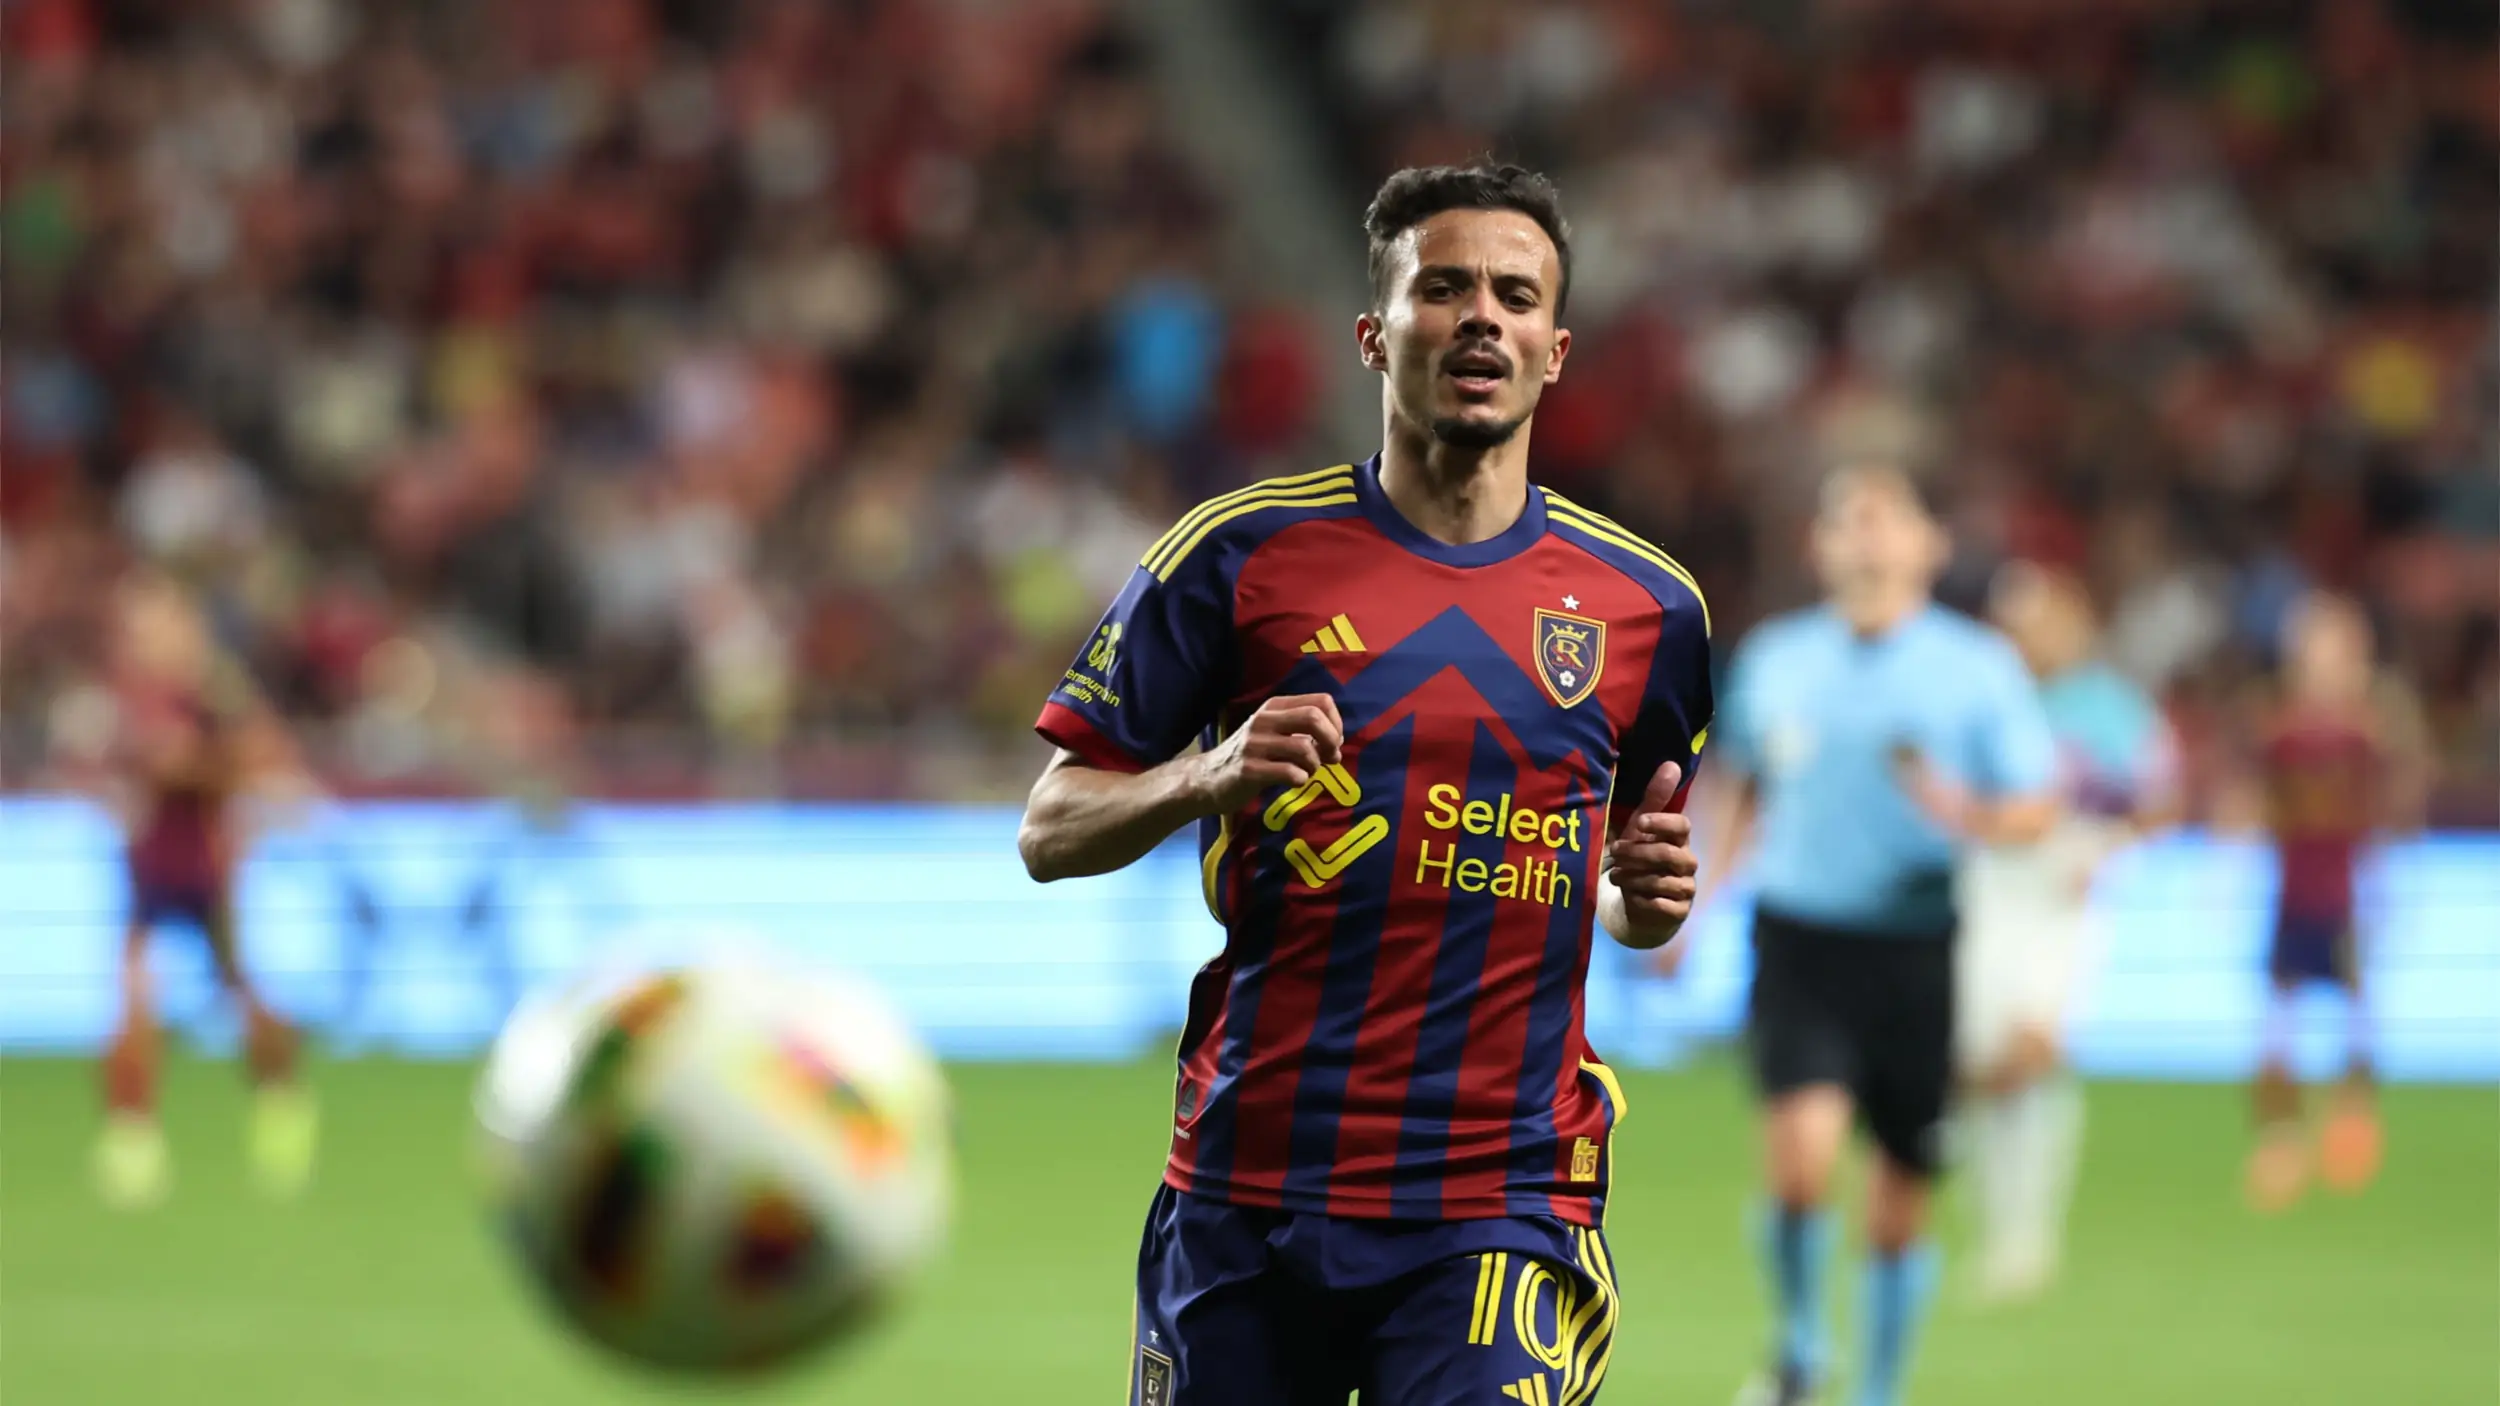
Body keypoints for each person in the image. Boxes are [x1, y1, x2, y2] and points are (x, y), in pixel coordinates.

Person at [1017, 163, 1712, 1406]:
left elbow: (1618, 884)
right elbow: (1050, 826)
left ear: (1555, 349)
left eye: (1514, 293)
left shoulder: (1647, 610)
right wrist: (1209, 774)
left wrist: (1646, 903)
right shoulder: (1236, 554)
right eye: (1442, 288)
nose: (1480, 317)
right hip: (1247, 1187)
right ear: (1373, 335)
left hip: (1497, 1201)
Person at [1705, 464, 2057, 1406]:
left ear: (1928, 546)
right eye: (1843, 521)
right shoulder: (1776, 659)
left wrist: (1967, 813)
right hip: (1800, 940)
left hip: (1914, 948)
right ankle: (1801, 1346)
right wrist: (1696, 895)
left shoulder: (1977, 668)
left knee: (1900, 1200)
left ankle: (1880, 1390)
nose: (1862, 537)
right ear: (1816, 548)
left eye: (1882, 519)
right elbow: (1737, 782)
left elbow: (2035, 807)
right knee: (1802, 1161)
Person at [1955, 563, 2177, 1302]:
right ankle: (1993, 1224)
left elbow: (2161, 798)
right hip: (1989, 883)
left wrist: (2109, 848)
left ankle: (2028, 1235)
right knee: (1980, 1065)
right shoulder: (1984, 703)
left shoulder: (2107, 706)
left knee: (2031, 1051)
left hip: (2062, 892)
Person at [94, 575, 317, 1208]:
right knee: (134, 999)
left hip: (205, 873)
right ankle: (131, 1138)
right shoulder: (129, 700)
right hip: (145, 872)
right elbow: (134, 772)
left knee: (241, 995)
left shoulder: (215, 697)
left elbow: (259, 759)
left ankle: (281, 1099)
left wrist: (204, 767)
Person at [2242, 591, 2428, 1211]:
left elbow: (2399, 802)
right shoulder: (2277, 725)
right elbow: (2250, 798)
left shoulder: (2372, 728)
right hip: (2291, 894)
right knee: (2279, 1020)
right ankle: (2281, 1140)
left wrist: (2395, 878)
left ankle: (2351, 1128)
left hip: (2348, 893)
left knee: (2355, 1012)